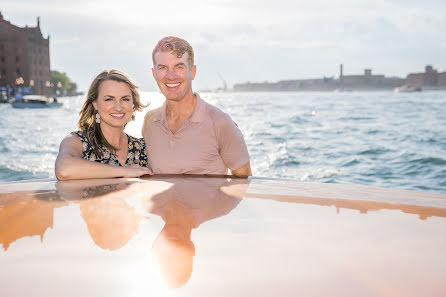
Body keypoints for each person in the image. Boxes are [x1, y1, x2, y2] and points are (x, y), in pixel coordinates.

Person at [142, 36, 252, 177]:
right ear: (154, 73)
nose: (171, 76)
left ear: (192, 71)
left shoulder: (220, 122)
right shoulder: (150, 121)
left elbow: (244, 183)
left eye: (179, 66)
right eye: (163, 68)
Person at [55, 69, 152, 180]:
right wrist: (125, 171)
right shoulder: (77, 141)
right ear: (95, 104)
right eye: (109, 99)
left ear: (132, 104)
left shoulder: (142, 147)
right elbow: (64, 169)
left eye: (125, 99)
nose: (118, 107)